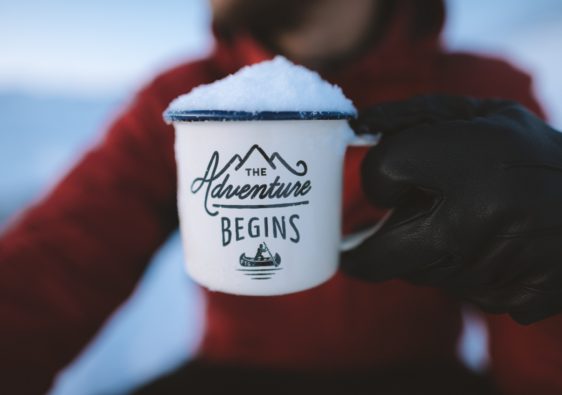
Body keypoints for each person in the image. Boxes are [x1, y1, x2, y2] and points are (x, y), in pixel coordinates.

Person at [1, 0, 561, 393]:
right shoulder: (183, 100)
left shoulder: (485, 98)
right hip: (226, 379)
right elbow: (55, 262)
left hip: (424, 377)